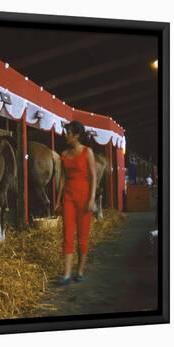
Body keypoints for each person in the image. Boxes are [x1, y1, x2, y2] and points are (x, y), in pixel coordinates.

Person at [54, 121, 97, 286]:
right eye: (66, 132)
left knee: (82, 236)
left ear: (77, 135)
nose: (66, 135)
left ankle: (79, 271)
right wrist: (58, 201)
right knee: (67, 234)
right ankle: (66, 274)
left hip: (84, 197)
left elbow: (93, 177)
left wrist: (92, 199)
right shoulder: (64, 154)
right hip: (69, 198)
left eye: (68, 132)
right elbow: (63, 179)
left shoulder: (88, 152)